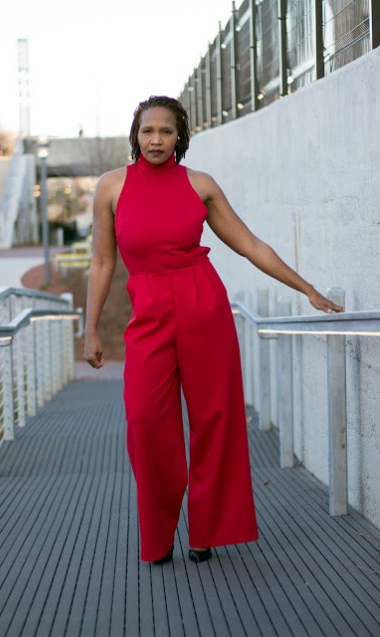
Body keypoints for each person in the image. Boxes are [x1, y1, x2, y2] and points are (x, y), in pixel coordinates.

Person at [84, 95, 343, 565]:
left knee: (215, 421)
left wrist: (306, 288)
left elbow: (250, 245)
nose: (156, 140)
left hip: (203, 307)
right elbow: (102, 262)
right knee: (144, 422)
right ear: (135, 135)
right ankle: (158, 534)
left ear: (180, 136)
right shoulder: (111, 187)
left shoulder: (200, 185)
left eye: (166, 131)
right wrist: (91, 330)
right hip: (148, 316)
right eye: (148, 131)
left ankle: (206, 530)